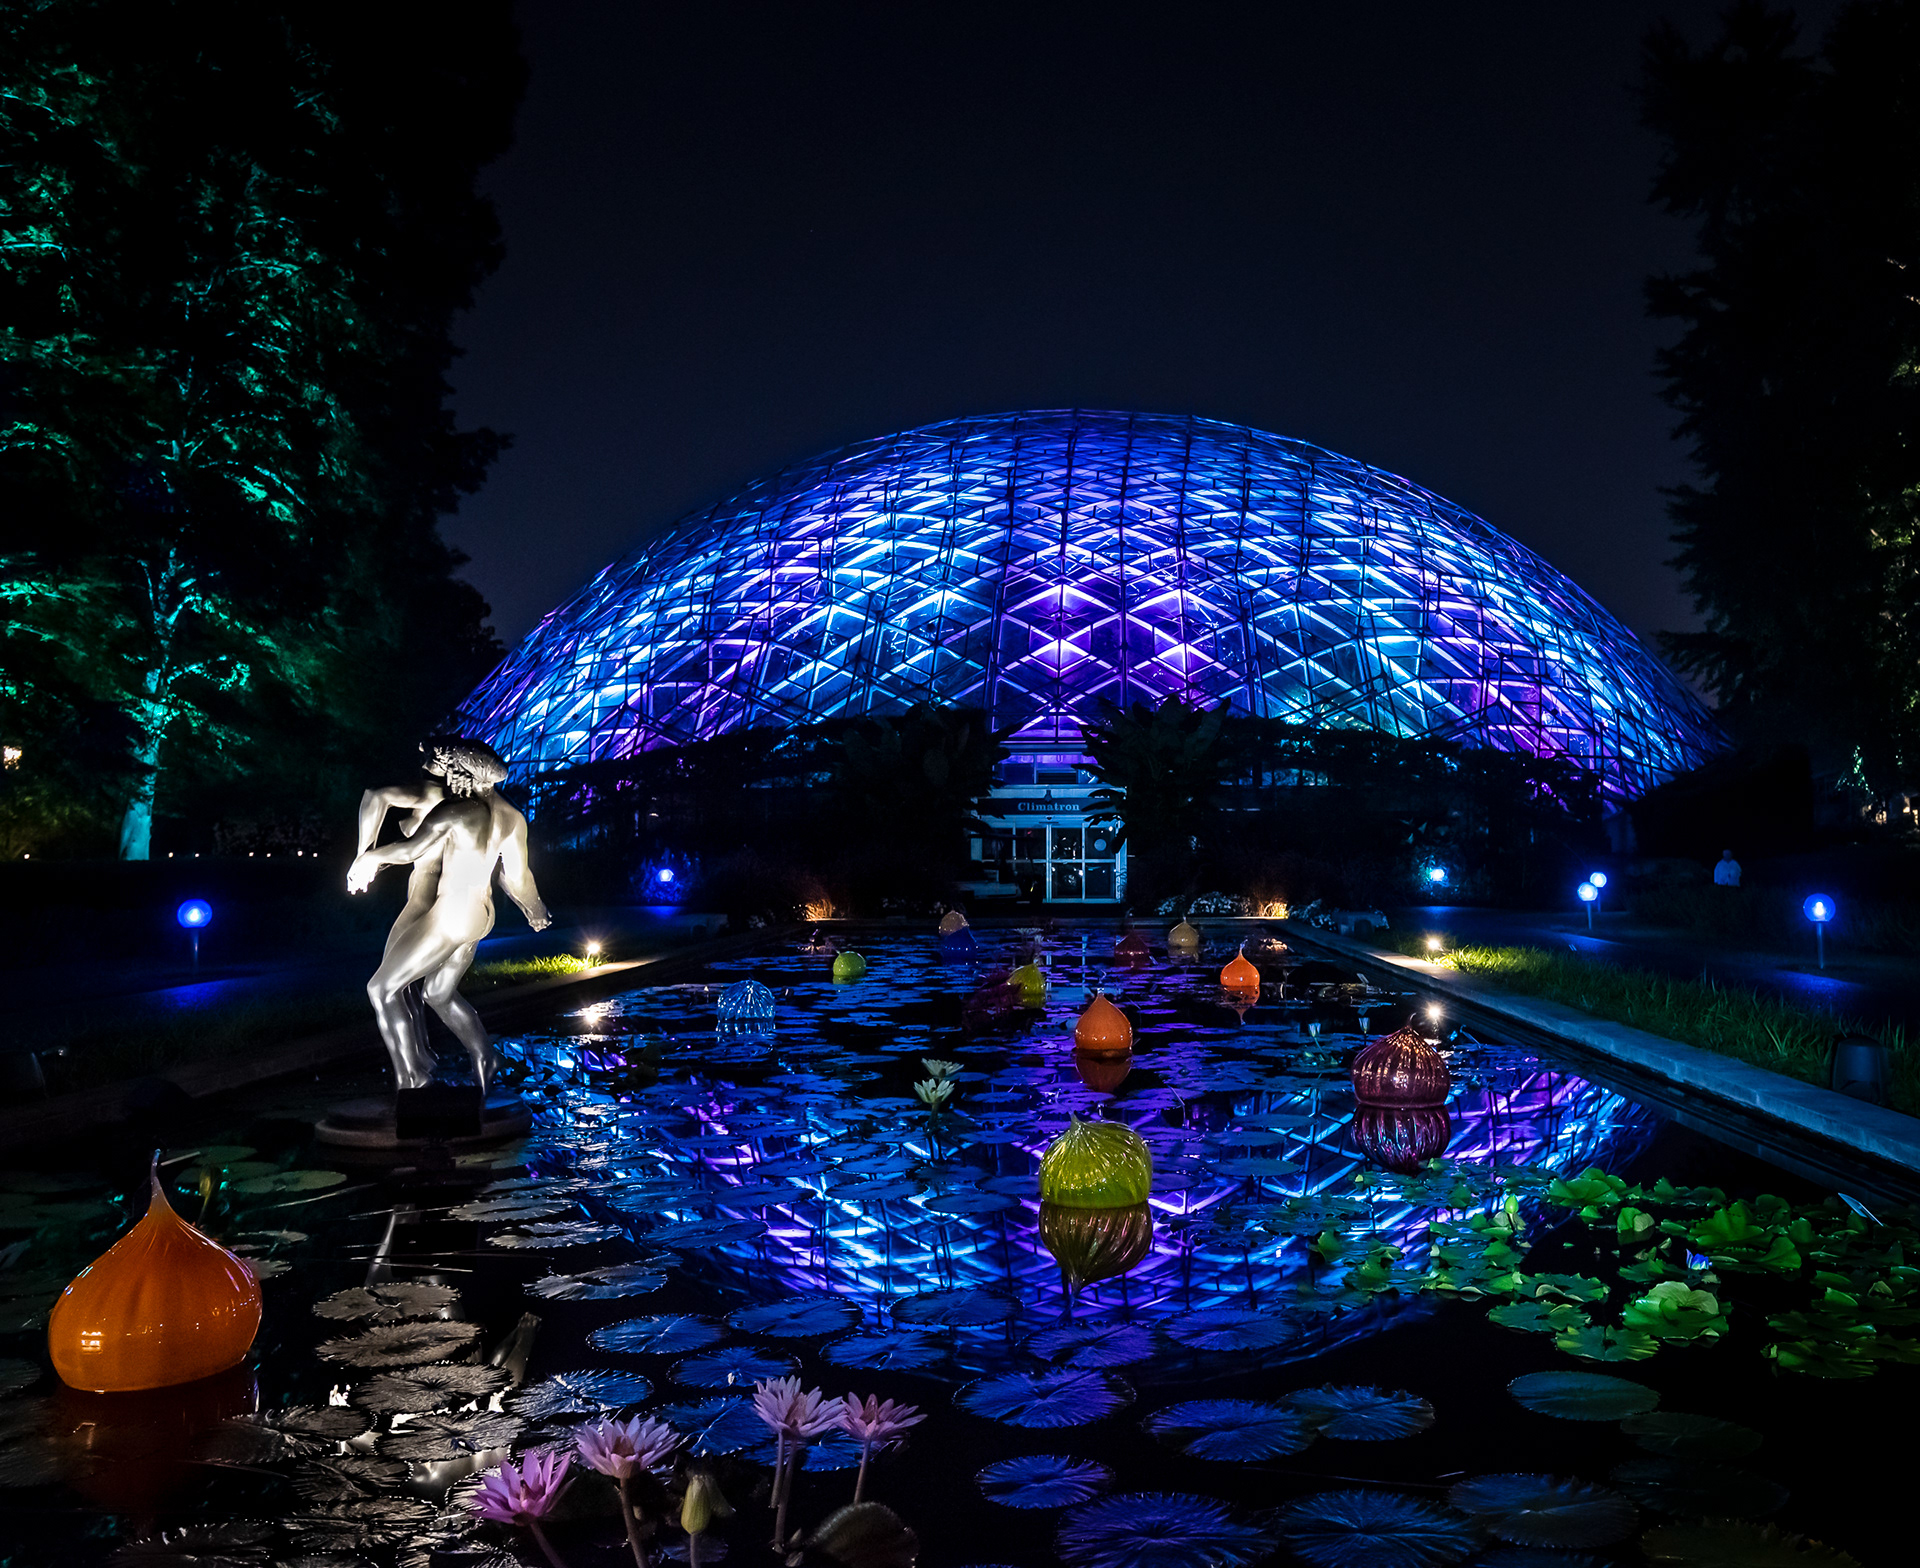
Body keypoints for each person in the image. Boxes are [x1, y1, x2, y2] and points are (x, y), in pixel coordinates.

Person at [348, 738, 550, 1094]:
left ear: (463, 775)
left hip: (453, 913)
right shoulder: (513, 816)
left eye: (451, 772)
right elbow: (518, 877)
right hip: (481, 917)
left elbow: (410, 850)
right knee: (438, 993)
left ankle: (413, 1078)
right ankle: (485, 1055)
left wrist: (367, 859)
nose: (447, 779)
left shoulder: (458, 810)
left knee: (381, 988)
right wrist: (535, 910)